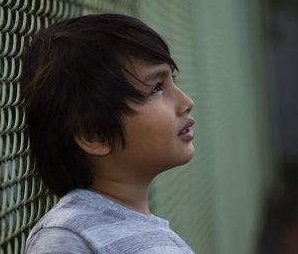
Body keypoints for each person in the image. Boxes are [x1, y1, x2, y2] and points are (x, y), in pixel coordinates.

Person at [21, 13, 195, 254]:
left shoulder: (151, 232)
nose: (186, 102)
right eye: (156, 87)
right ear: (96, 134)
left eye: (171, 81)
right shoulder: (68, 237)